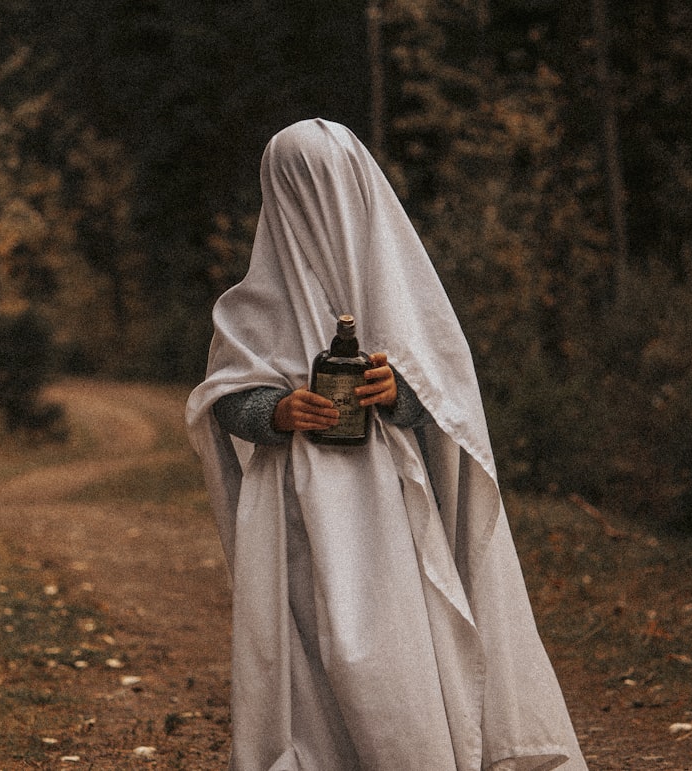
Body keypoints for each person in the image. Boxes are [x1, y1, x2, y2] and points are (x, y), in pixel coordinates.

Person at [185, 118, 587, 771]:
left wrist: (396, 391)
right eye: (298, 186)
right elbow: (223, 394)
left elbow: (449, 394)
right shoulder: (255, 301)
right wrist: (277, 410)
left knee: (390, 644)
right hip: (294, 511)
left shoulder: (401, 289)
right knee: (313, 643)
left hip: (393, 507)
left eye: (328, 185)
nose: (316, 204)